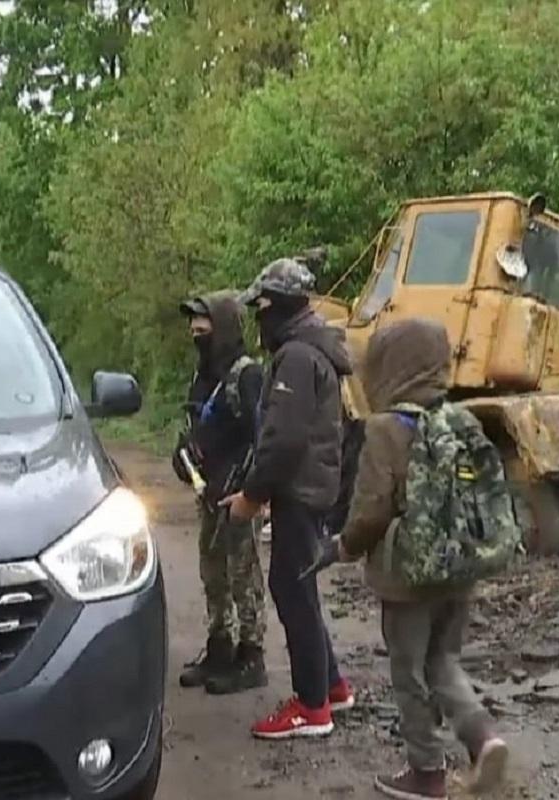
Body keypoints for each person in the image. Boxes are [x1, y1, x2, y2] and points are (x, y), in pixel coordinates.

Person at [334, 318, 509, 800]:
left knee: (408, 672)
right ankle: (483, 739)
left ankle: (427, 772)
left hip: (406, 576)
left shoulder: (386, 428)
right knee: (444, 661)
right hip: (460, 565)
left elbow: (372, 509)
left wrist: (345, 546)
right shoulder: (461, 420)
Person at [221, 258, 355, 739]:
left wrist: (252, 495)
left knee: (290, 588)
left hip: (301, 491)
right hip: (312, 487)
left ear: (274, 306)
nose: (257, 320)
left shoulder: (297, 356)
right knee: (300, 585)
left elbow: (283, 440)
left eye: (259, 309)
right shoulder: (312, 349)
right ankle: (332, 686)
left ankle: (312, 706)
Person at [172, 291, 269, 695]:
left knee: (243, 574)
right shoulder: (203, 374)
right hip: (208, 491)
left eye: (203, 324)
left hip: (239, 493)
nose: (195, 331)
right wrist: (184, 456)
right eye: (192, 325)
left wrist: (252, 489)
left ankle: (251, 655)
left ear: (224, 325)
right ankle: (219, 646)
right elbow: (197, 424)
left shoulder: (247, 375)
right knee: (213, 572)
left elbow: (263, 436)